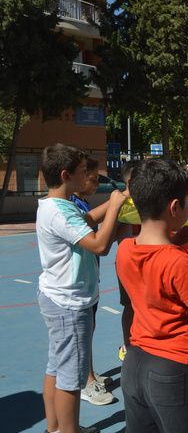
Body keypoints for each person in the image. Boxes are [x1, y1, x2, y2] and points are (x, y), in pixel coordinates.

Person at [116, 159, 188, 433]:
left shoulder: (125, 249)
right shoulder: (178, 262)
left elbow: (152, 267)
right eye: (187, 202)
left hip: (134, 365)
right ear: (174, 207)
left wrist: (176, 240)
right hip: (174, 371)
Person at [37, 143, 126, 433]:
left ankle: (55, 429)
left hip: (58, 298)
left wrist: (119, 204)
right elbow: (100, 245)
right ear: (66, 176)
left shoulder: (55, 206)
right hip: (70, 304)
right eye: (83, 171)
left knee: (56, 367)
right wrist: (114, 206)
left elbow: (86, 221)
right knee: (71, 379)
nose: (88, 175)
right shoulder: (61, 212)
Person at [69, 157, 115, 405]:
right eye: (93, 179)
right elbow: (96, 242)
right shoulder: (71, 206)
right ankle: (86, 382)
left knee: (90, 328)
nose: (97, 183)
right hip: (77, 284)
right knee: (83, 332)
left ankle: (89, 373)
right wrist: (114, 206)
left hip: (90, 278)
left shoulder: (84, 203)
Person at [116, 159, 140, 363]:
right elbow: (114, 236)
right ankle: (127, 345)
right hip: (128, 262)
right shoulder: (121, 203)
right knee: (130, 306)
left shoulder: (146, 199)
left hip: (148, 259)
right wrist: (127, 219)